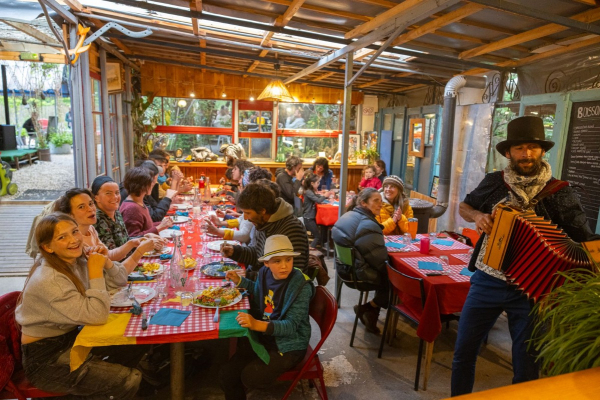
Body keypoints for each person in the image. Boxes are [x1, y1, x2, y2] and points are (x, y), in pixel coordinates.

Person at [451, 116, 600, 396]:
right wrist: (478, 216)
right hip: (487, 280)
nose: (526, 153)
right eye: (519, 148)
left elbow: (584, 239)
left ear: (542, 151)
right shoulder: (495, 182)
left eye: (532, 147)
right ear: (509, 153)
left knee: (527, 366)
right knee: (464, 353)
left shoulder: (560, 193)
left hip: (532, 290)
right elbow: (464, 206)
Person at [15, 213, 144, 399]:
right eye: (62, 237)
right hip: (46, 360)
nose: (74, 240)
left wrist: (107, 262)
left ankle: (106, 387)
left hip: (73, 337)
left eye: (74, 232)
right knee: (128, 380)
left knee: (134, 342)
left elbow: (120, 281)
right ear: (47, 247)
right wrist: (95, 271)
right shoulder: (50, 279)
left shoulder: (77, 259)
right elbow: (97, 315)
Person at [219, 235, 314, 400]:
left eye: (288, 259)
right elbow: (258, 291)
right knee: (226, 374)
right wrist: (240, 281)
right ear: (266, 263)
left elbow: (291, 326)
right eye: (277, 261)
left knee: (250, 377)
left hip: (289, 345)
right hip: (266, 335)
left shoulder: (301, 287)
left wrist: (257, 325)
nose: (284, 266)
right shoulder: (265, 273)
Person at [54, 188, 159, 272]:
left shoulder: (90, 228)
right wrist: (139, 251)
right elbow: (105, 274)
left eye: (90, 204)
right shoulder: (74, 241)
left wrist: (133, 243)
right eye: (81, 207)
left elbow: (108, 256)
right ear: (70, 215)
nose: (90, 209)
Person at [332, 188, 388, 334]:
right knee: (396, 280)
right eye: (376, 201)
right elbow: (380, 262)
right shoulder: (368, 225)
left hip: (344, 268)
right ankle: (368, 308)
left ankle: (370, 311)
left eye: (381, 201)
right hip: (358, 274)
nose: (380, 204)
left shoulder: (348, 215)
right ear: (363, 203)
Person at [221, 182, 309, 276]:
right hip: (260, 278)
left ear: (262, 211)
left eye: (248, 213)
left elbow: (290, 275)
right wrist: (235, 252)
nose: (245, 218)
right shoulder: (263, 222)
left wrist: (251, 276)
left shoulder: (292, 229)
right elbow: (258, 255)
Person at [119, 167, 173, 237]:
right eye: (151, 183)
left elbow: (147, 226)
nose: (153, 185)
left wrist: (161, 223)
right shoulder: (132, 208)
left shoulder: (138, 201)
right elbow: (133, 237)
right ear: (143, 186)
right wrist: (159, 227)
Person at [301, 172, 330, 249]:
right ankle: (311, 249)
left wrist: (325, 196)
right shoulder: (308, 192)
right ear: (312, 183)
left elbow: (317, 196)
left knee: (319, 233)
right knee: (317, 236)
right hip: (308, 218)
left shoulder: (310, 191)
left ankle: (319, 246)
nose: (319, 184)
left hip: (310, 217)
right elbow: (318, 200)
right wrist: (325, 196)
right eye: (317, 183)